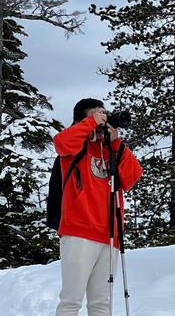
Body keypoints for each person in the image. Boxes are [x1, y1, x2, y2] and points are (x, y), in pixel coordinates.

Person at [54, 98, 143, 316]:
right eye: (96, 116)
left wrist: (116, 143)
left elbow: (133, 175)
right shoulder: (75, 148)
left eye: (104, 115)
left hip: (109, 234)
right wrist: (88, 124)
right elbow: (60, 142)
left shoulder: (112, 150)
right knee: (71, 300)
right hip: (79, 231)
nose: (101, 121)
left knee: (101, 303)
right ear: (79, 121)